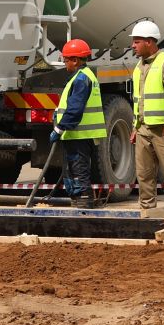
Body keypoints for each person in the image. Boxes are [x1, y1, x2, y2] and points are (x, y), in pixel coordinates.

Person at [128, 19, 164, 213]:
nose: (133, 46)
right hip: (144, 129)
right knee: (144, 174)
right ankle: (147, 212)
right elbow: (138, 101)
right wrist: (135, 128)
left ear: (149, 42)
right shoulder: (139, 67)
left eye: (137, 41)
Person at [52, 38, 106, 207]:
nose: (64, 64)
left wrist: (59, 129)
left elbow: (75, 109)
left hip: (79, 135)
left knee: (79, 170)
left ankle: (83, 203)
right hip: (80, 135)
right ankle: (79, 201)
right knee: (75, 169)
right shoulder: (84, 76)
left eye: (66, 60)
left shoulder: (81, 79)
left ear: (75, 60)